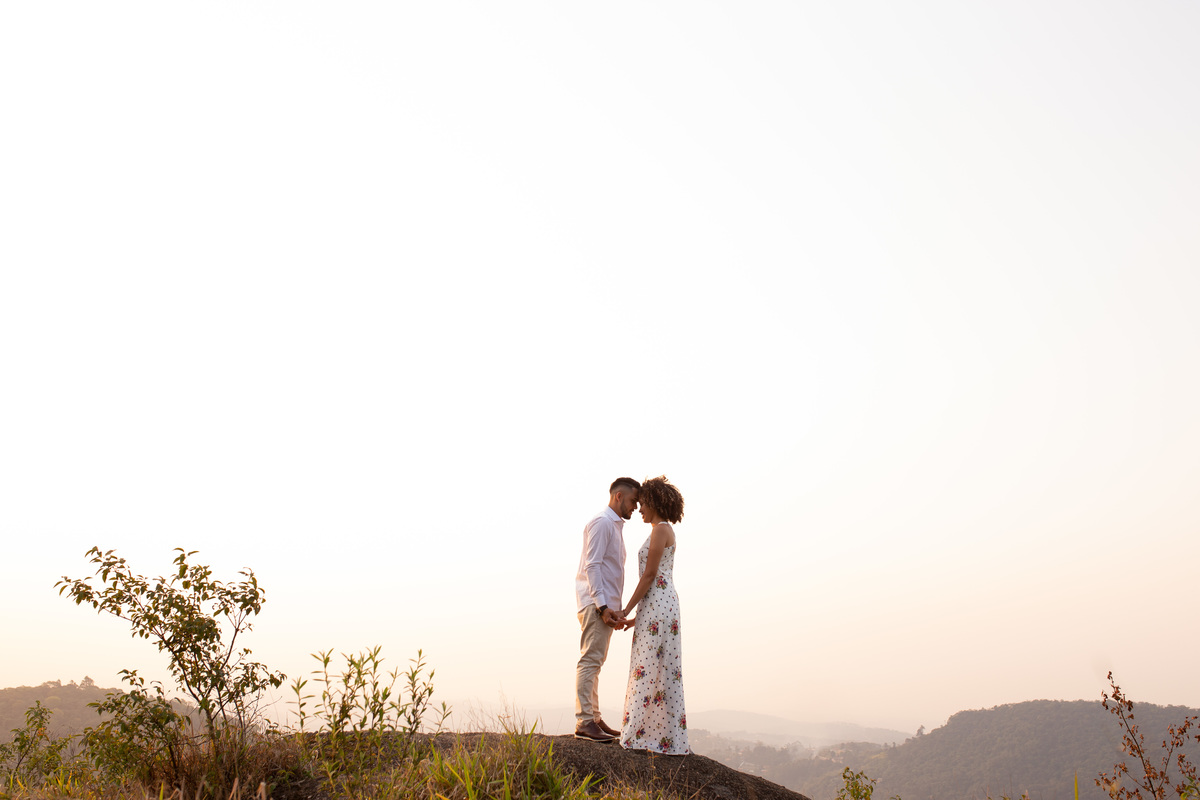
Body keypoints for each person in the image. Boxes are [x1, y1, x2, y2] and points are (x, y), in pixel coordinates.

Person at [619, 475, 690, 755]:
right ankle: (652, 733)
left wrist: (626, 610)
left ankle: (640, 733)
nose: (639, 509)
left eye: (643, 503)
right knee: (652, 666)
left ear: (653, 502)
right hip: (658, 606)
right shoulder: (659, 530)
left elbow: (650, 575)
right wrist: (639, 616)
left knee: (648, 667)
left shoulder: (661, 529)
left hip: (659, 603)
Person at [573, 477, 641, 742]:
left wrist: (613, 608)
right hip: (595, 603)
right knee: (590, 660)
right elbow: (592, 566)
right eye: (634, 501)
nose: (636, 506)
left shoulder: (613, 525)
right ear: (619, 496)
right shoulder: (602, 523)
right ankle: (584, 722)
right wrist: (602, 605)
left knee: (596, 661)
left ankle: (595, 719)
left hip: (604, 604)